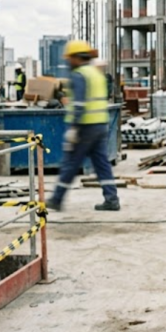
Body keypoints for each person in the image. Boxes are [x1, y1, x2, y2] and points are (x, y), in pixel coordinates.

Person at [46, 40, 120, 212]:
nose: (68, 61)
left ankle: (57, 199)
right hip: (100, 124)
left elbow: (79, 103)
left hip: (84, 126)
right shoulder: (96, 74)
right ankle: (112, 199)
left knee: (71, 163)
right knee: (102, 164)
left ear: (76, 57)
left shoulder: (79, 75)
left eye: (69, 58)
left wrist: (74, 127)